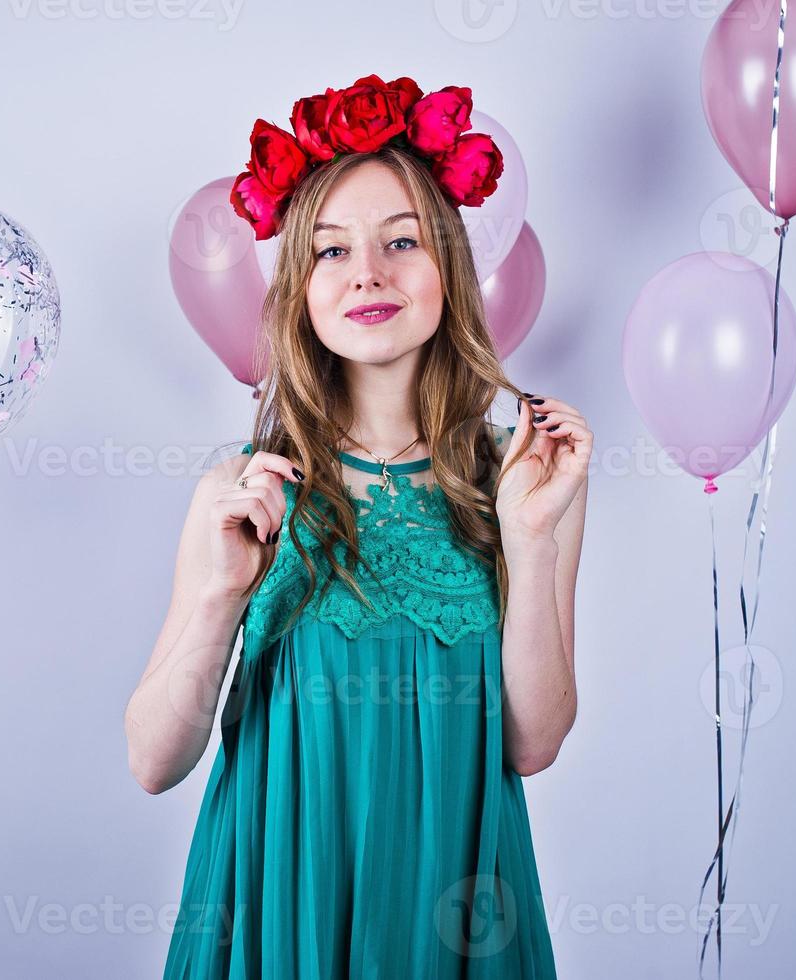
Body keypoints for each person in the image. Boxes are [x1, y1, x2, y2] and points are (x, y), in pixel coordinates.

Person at [124, 74, 590, 977]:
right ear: (299, 287)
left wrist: (529, 544)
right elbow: (152, 759)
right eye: (332, 252)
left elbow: (532, 744)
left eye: (401, 241)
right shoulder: (243, 487)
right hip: (276, 900)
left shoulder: (525, 473)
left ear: (449, 267)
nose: (367, 273)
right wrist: (221, 597)